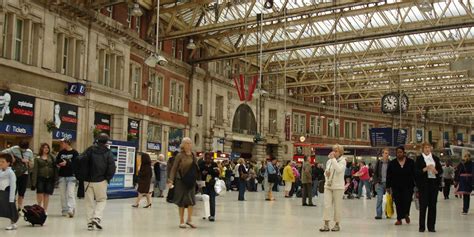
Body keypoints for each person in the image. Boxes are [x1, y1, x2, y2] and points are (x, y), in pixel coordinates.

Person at [79, 133, 116, 231]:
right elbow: (112, 167)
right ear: (106, 142)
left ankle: (89, 223)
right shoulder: (108, 153)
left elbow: (80, 160)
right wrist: (107, 178)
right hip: (101, 181)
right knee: (102, 200)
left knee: (89, 202)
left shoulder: (89, 150)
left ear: (97, 140)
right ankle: (97, 217)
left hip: (88, 181)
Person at [168, 137, 200, 229]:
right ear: (183, 145)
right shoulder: (179, 155)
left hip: (191, 181)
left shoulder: (193, 155)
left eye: (190, 143)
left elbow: (196, 168)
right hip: (181, 181)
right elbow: (174, 168)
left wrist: (198, 179)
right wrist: (171, 180)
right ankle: (181, 221)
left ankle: (189, 220)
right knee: (181, 201)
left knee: (191, 200)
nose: (188, 145)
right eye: (186, 143)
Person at [415, 143, 443, 233]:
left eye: (429, 147)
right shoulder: (419, 159)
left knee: (433, 206)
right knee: (423, 206)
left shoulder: (435, 158)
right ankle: (422, 226)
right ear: (422, 149)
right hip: (423, 185)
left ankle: (431, 226)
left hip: (433, 184)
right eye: (425, 148)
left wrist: (436, 171)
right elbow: (416, 172)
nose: (427, 149)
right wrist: (425, 169)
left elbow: (440, 170)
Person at [320, 144, 347, 232]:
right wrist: (326, 173)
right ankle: (326, 224)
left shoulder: (343, 161)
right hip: (328, 185)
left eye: (336, 151)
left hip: (338, 187)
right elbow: (326, 171)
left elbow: (339, 170)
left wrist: (333, 159)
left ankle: (337, 224)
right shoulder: (329, 161)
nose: (334, 152)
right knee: (327, 205)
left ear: (340, 152)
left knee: (337, 206)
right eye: (333, 150)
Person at [386, 146, 416, 226]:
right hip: (396, 187)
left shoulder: (411, 162)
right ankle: (399, 219)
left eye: (400, 152)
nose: (399, 154)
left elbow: (415, 174)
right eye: (397, 152)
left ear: (404, 153)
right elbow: (389, 175)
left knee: (407, 201)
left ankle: (406, 214)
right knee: (398, 203)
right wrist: (388, 187)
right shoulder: (392, 163)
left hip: (408, 186)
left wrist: (417, 185)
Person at [2, 141, 33, 212]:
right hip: (14, 173)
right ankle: (11, 207)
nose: (23, 150)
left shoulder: (29, 152)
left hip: (24, 174)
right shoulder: (14, 148)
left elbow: (32, 164)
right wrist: (12, 157)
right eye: (22, 148)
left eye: (24, 149)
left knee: (22, 192)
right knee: (13, 191)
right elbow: (3, 152)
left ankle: (19, 208)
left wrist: (27, 161)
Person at [56, 138, 79, 218]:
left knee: (70, 193)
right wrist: (59, 164)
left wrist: (67, 163)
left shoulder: (75, 153)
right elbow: (57, 161)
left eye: (62, 143)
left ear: (67, 143)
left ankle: (71, 209)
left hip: (71, 176)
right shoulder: (61, 152)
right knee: (62, 194)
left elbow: (76, 164)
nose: (61, 145)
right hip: (62, 175)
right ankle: (64, 209)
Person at [32, 143, 57, 213]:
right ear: (42, 149)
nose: (46, 149)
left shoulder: (51, 157)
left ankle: (45, 209)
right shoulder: (37, 158)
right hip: (40, 178)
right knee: (39, 193)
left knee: (47, 194)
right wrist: (34, 182)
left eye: (47, 147)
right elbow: (35, 170)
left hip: (49, 178)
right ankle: (39, 207)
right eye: (45, 147)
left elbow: (55, 166)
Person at [0, 153, 19, 230]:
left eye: (3, 161)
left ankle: (13, 223)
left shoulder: (11, 173)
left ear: (8, 163)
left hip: (8, 193)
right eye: (0, 161)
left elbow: (13, 185)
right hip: (1, 193)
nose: (0, 163)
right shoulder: (0, 171)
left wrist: (12, 198)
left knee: (10, 208)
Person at [199, 152, 219, 222]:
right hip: (204, 184)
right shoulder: (201, 164)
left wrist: (208, 171)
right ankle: (205, 214)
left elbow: (217, 173)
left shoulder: (214, 164)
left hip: (212, 184)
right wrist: (202, 173)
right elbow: (199, 173)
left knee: (212, 199)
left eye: (209, 158)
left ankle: (212, 215)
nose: (208, 160)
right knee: (205, 200)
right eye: (206, 158)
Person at [373, 148, 390, 219]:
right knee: (379, 199)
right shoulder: (379, 162)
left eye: (387, 153)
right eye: (385, 153)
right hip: (380, 183)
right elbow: (375, 173)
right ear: (382, 154)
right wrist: (376, 182)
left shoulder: (390, 163)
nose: (387, 155)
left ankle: (388, 213)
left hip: (388, 184)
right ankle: (379, 214)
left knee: (388, 199)